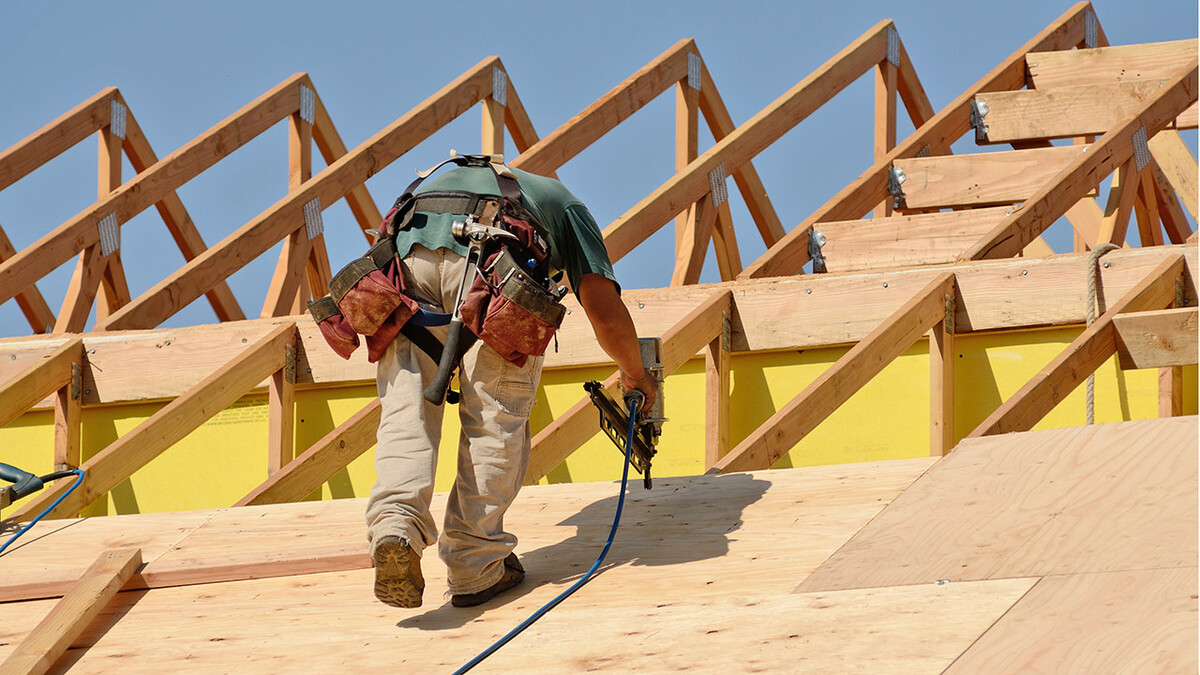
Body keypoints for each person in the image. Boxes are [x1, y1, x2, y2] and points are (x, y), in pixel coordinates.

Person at [365, 157, 658, 609]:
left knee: (406, 411)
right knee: (494, 415)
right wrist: (635, 373)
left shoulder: (447, 175)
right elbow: (603, 309)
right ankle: (474, 564)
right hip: (496, 269)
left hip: (406, 263)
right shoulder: (569, 209)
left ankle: (395, 528)